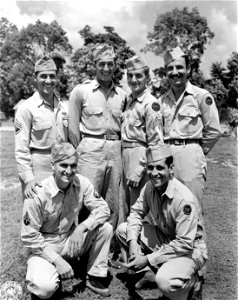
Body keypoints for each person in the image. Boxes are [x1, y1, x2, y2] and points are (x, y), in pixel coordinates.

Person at [21, 143, 113, 299]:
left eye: (73, 166)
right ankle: (52, 271)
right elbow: (29, 237)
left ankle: (95, 275)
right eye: (63, 165)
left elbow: (104, 209)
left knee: (105, 228)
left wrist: (81, 227)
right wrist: (57, 260)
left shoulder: (82, 183)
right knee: (45, 289)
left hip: (69, 240)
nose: (69, 171)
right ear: (52, 165)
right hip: (44, 246)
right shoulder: (38, 192)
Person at [116, 144, 207, 300]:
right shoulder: (149, 187)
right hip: (167, 239)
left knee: (164, 282)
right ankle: (150, 273)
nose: (154, 173)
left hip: (190, 249)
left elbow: (185, 243)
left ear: (171, 168)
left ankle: (192, 281)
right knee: (124, 230)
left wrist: (147, 259)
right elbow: (137, 213)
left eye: (160, 168)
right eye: (150, 168)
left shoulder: (183, 199)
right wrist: (132, 243)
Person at [68, 44, 126, 229]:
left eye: (110, 64)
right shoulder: (81, 92)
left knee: (112, 202)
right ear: (94, 65)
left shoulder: (122, 95)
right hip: (90, 151)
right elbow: (73, 130)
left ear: (115, 65)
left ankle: (107, 249)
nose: (106, 68)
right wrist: (82, 152)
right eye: (102, 64)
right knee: (88, 199)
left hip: (115, 150)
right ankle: (85, 249)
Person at [159, 46, 221, 211]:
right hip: (166, 158)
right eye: (170, 68)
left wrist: (197, 151)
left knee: (191, 208)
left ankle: (197, 238)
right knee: (168, 208)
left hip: (190, 156)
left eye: (179, 67)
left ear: (188, 69)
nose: (175, 72)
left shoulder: (201, 97)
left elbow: (214, 130)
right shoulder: (161, 101)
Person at [15, 56, 69, 198]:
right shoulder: (26, 108)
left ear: (57, 78)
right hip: (38, 169)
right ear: (35, 79)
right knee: (38, 214)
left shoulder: (64, 107)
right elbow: (21, 149)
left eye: (52, 76)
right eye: (43, 76)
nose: (48, 81)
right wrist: (28, 178)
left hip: (62, 168)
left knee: (63, 214)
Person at [122, 55, 163, 215]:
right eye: (130, 75)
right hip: (124, 155)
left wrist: (140, 169)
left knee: (138, 209)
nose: (134, 79)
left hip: (140, 157)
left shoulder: (151, 104)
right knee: (125, 207)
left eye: (138, 75)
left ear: (147, 77)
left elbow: (156, 142)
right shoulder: (128, 100)